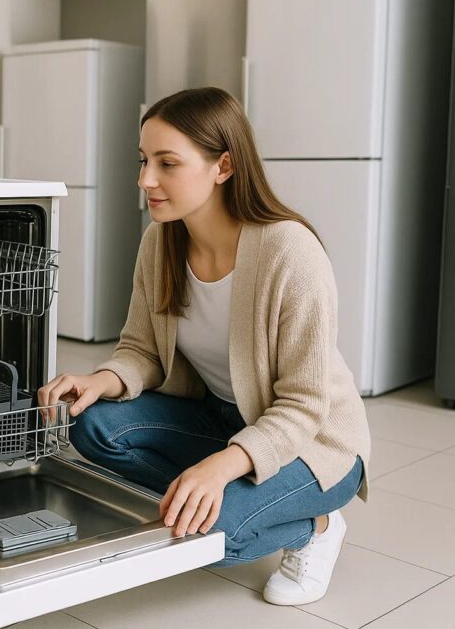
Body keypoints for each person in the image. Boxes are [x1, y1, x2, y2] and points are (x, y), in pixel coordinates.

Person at [38, 87, 370, 606]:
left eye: (168, 163)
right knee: (91, 422)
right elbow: (141, 350)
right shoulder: (160, 242)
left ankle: (319, 526)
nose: (146, 179)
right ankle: (205, 497)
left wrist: (221, 467)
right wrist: (100, 380)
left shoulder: (290, 253)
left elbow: (305, 406)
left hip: (313, 444)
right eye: (145, 161)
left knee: (211, 539)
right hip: (218, 418)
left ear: (223, 166)